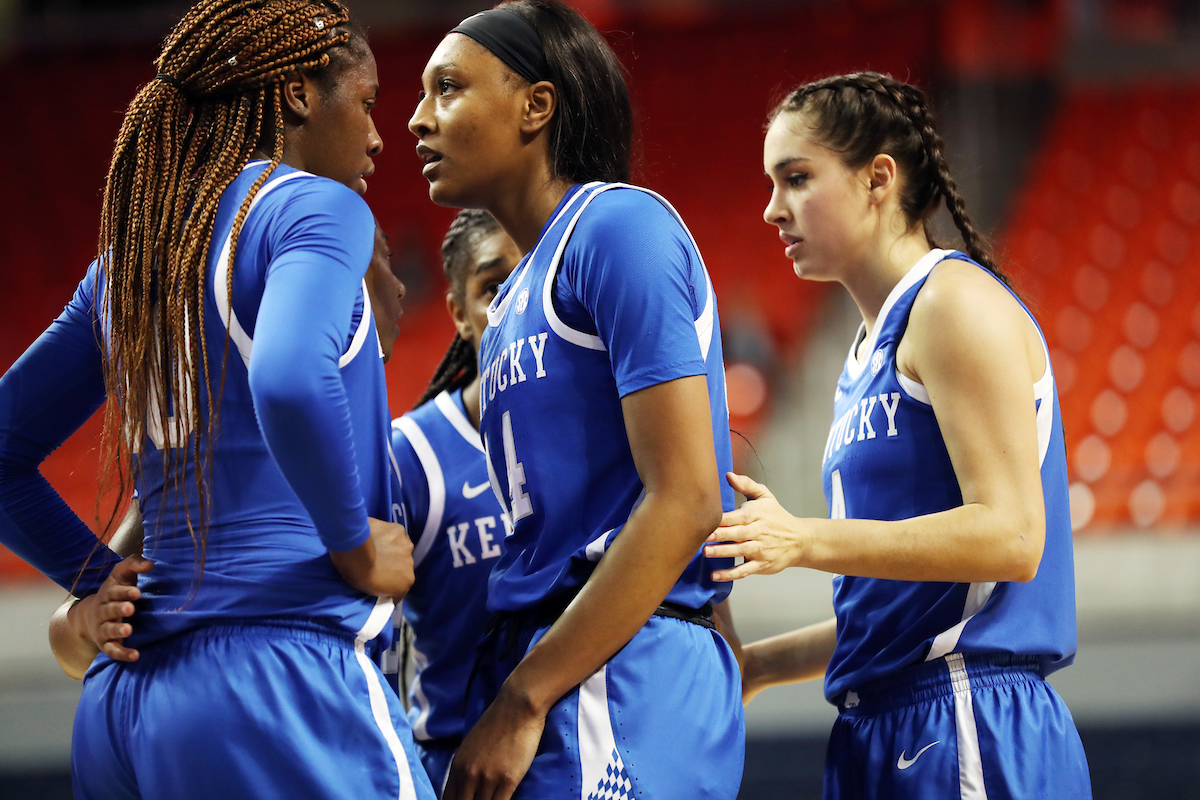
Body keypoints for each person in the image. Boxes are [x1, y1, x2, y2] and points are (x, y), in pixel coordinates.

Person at [0, 0, 435, 797]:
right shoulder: (314, 205)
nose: (378, 136)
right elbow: (288, 377)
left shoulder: (130, 263)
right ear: (300, 92)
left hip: (125, 705)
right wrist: (355, 543)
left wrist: (95, 585)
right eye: (368, 102)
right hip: (275, 674)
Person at [704, 72, 1091, 799]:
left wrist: (805, 540)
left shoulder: (951, 304)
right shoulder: (866, 351)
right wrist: (755, 665)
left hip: (969, 718)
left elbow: (1011, 538)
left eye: (795, 178)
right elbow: (897, 615)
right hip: (888, 720)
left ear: (877, 178)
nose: (771, 209)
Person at [408, 3, 745, 799]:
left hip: (615, 675)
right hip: (572, 668)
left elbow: (687, 497)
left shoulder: (617, 225)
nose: (419, 119)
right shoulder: (515, 296)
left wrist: (524, 698)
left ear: (537, 105)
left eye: (448, 88)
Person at [48, 220, 407, 677]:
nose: (398, 288)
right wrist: (85, 621)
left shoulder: (399, 447)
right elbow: (69, 639)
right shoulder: (235, 466)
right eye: (383, 260)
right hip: (282, 695)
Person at [382, 208, 521, 796]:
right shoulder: (410, 454)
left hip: (590, 750)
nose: (518, 300)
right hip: (458, 769)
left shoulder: (611, 431)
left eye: (535, 276)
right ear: (460, 315)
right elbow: (371, 646)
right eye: (494, 287)